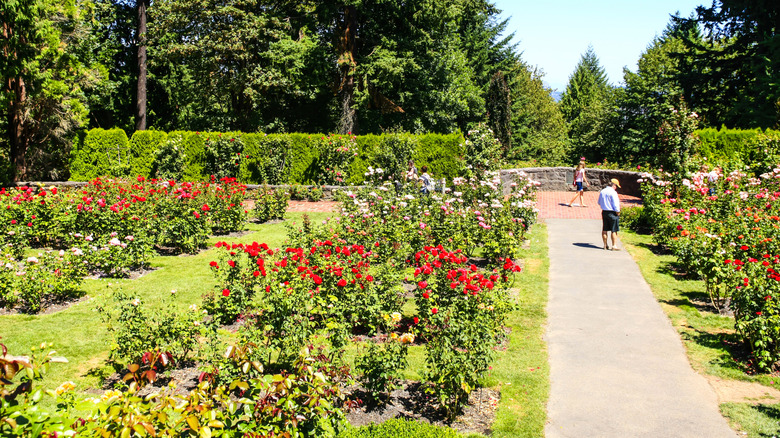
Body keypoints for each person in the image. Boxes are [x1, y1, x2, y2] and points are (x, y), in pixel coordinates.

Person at [598, 178, 621, 251]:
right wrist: (618, 211)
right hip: (612, 212)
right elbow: (615, 203)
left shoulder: (603, 191)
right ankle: (614, 245)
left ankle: (605, 245)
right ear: (613, 185)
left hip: (604, 211)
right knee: (614, 229)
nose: (616, 187)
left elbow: (599, 202)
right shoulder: (613, 192)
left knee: (605, 228)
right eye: (616, 186)